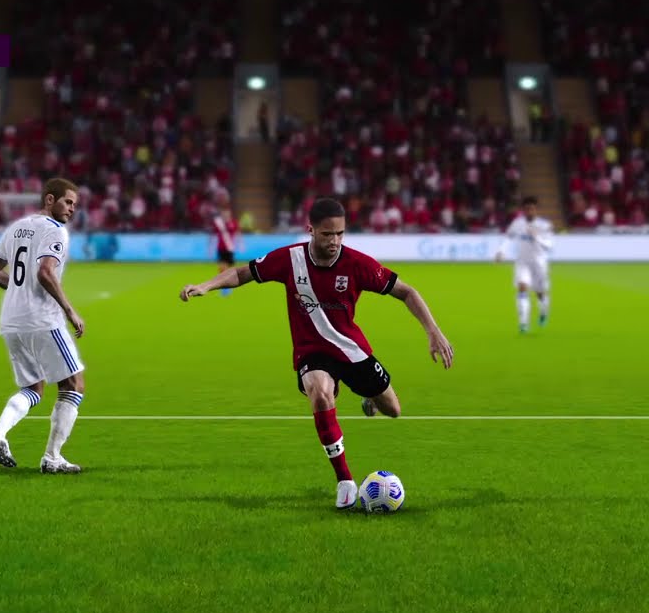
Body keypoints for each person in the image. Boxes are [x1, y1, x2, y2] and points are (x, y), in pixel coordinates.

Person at [179, 198, 455, 508]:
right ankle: (345, 481)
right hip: (312, 351)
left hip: (351, 349)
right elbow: (244, 273)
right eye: (327, 234)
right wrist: (206, 286)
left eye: (340, 233)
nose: (335, 241)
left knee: (393, 410)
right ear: (310, 230)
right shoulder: (290, 259)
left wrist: (433, 331)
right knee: (320, 393)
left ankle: (367, 395)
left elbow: (406, 292)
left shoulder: (358, 264)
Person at [0, 178, 87, 475]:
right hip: (42, 319)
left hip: (11, 320)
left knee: (33, 387)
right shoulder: (55, 230)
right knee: (73, 385)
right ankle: (52, 457)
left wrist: (20, 290)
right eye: (68, 202)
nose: (72, 209)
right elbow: (45, 271)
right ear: (50, 199)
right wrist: (69, 310)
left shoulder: (17, 227)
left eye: (75, 205)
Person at [495, 196, 553, 333]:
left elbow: (549, 245)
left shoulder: (544, 225)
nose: (529, 211)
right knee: (522, 288)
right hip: (522, 262)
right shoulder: (517, 223)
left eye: (532, 209)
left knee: (540, 294)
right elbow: (508, 238)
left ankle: (543, 312)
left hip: (539, 264)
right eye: (527, 209)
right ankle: (523, 323)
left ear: (536, 210)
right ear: (523, 210)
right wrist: (501, 251)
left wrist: (536, 237)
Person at [211, 206, 240, 296]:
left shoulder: (233, 223)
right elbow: (214, 235)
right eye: (224, 214)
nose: (225, 216)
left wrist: (240, 245)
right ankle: (224, 287)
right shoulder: (218, 224)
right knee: (222, 268)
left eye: (227, 214)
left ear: (229, 215)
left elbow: (237, 234)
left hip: (230, 248)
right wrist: (211, 247)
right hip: (221, 248)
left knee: (229, 270)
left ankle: (228, 286)